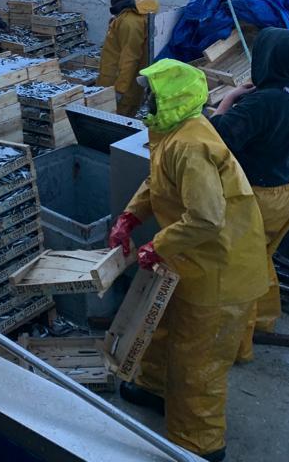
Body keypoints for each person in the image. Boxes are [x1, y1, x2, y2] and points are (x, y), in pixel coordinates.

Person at [108, 59, 268, 462]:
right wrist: (131, 216)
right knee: (163, 329)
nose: (146, 100)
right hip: (191, 261)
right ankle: (155, 387)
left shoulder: (193, 145)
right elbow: (156, 180)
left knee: (199, 363)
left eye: (152, 94)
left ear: (173, 98)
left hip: (220, 268)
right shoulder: (172, 132)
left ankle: (200, 444)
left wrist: (156, 245)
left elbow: (207, 217)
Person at [210, 27, 289, 362]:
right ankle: (265, 319)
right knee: (261, 259)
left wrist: (227, 99)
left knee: (239, 275)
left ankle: (235, 346)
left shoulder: (265, 103)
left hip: (258, 196)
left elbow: (218, 137)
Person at [96, 0, 159, 117]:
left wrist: (120, 90)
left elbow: (130, 58)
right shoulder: (126, 16)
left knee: (115, 121)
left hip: (121, 86)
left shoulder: (129, 22)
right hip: (116, 82)